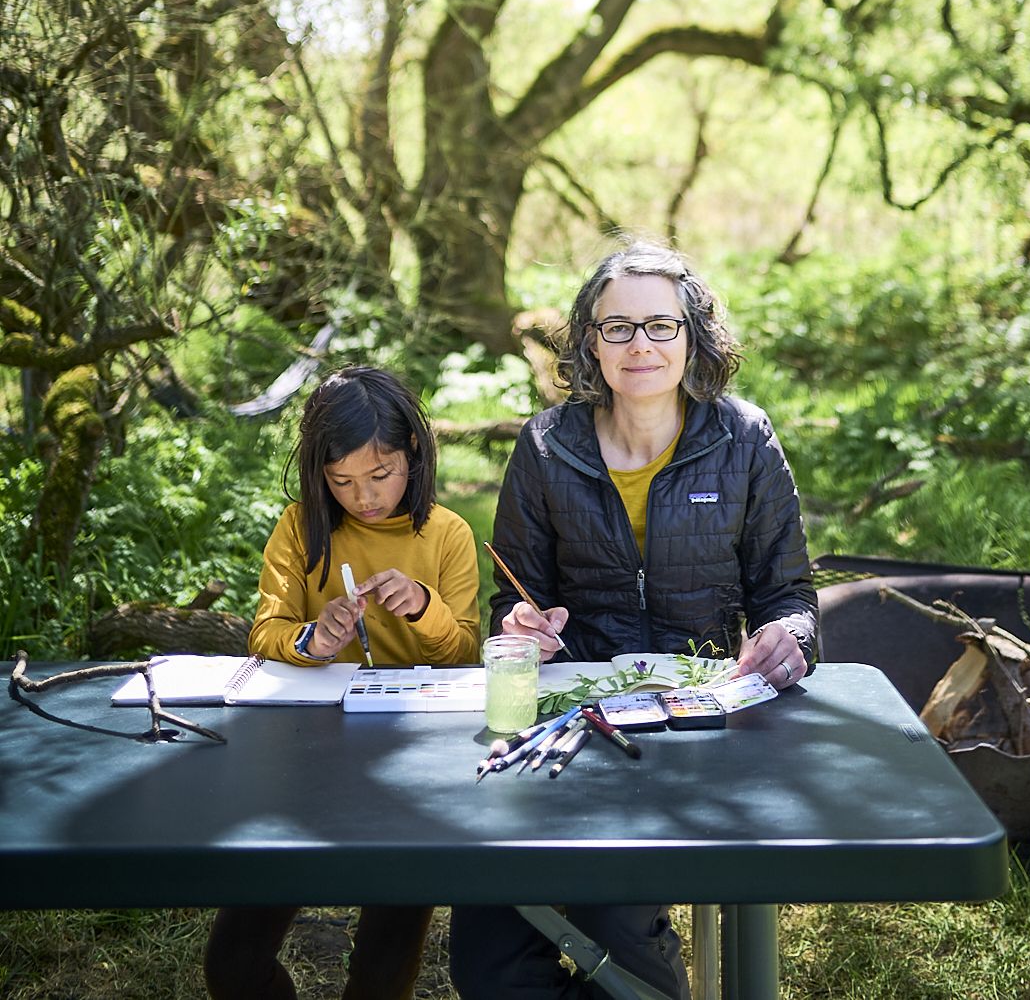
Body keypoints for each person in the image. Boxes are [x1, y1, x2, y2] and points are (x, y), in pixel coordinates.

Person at [449, 240, 817, 1000]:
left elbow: (789, 595)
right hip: (568, 723)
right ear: (591, 341)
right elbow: (512, 602)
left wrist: (792, 637)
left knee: (614, 920)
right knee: (486, 949)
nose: (639, 345)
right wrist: (522, 626)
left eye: (660, 325)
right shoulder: (546, 445)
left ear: (693, 336)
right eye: (617, 327)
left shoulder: (745, 439)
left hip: (697, 723)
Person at [205, 364, 480, 1000]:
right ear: (318, 474)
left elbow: (464, 652)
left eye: (380, 475)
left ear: (414, 452)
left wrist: (423, 606)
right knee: (232, 964)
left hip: (416, 756)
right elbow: (267, 632)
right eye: (342, 481)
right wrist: (313, 640)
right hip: (307, 751)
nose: (364, 498)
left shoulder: (447, 533)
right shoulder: (301, 526)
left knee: (384, 970)